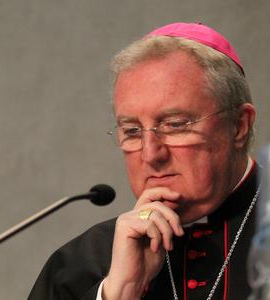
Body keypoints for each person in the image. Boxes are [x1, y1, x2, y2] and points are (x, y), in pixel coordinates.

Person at [28, 22, 259, 300]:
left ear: (238, 126)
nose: (151, 154)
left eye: (175, 125)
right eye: (132, 131)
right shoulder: (85, 262)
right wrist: (120, 292)